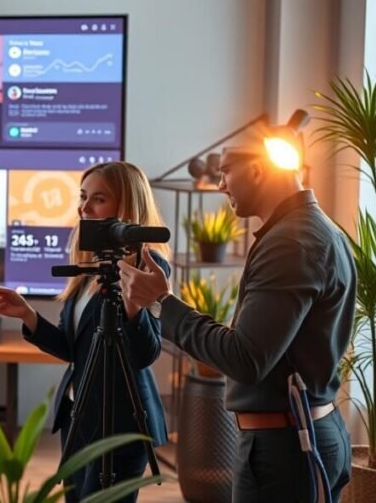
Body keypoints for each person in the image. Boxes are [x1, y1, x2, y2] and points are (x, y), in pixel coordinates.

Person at [117, 143, 355, 502]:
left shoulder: (290, 243)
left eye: (225, 171)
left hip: (285, 450)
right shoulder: (316, 230)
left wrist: (162, 302)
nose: (220, 185)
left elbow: (244, 358)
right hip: (301, 436)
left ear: (258, 170)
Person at [0, 161, 171, 503]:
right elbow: (75, 350)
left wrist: (131, 308)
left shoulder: (148, 268)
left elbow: (145, 355)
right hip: (78, 417)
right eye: (82, 197)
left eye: (98, 199)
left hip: (120, 426)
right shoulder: (91, 268)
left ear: (126, 206)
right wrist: (27, 315)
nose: (84, 208)